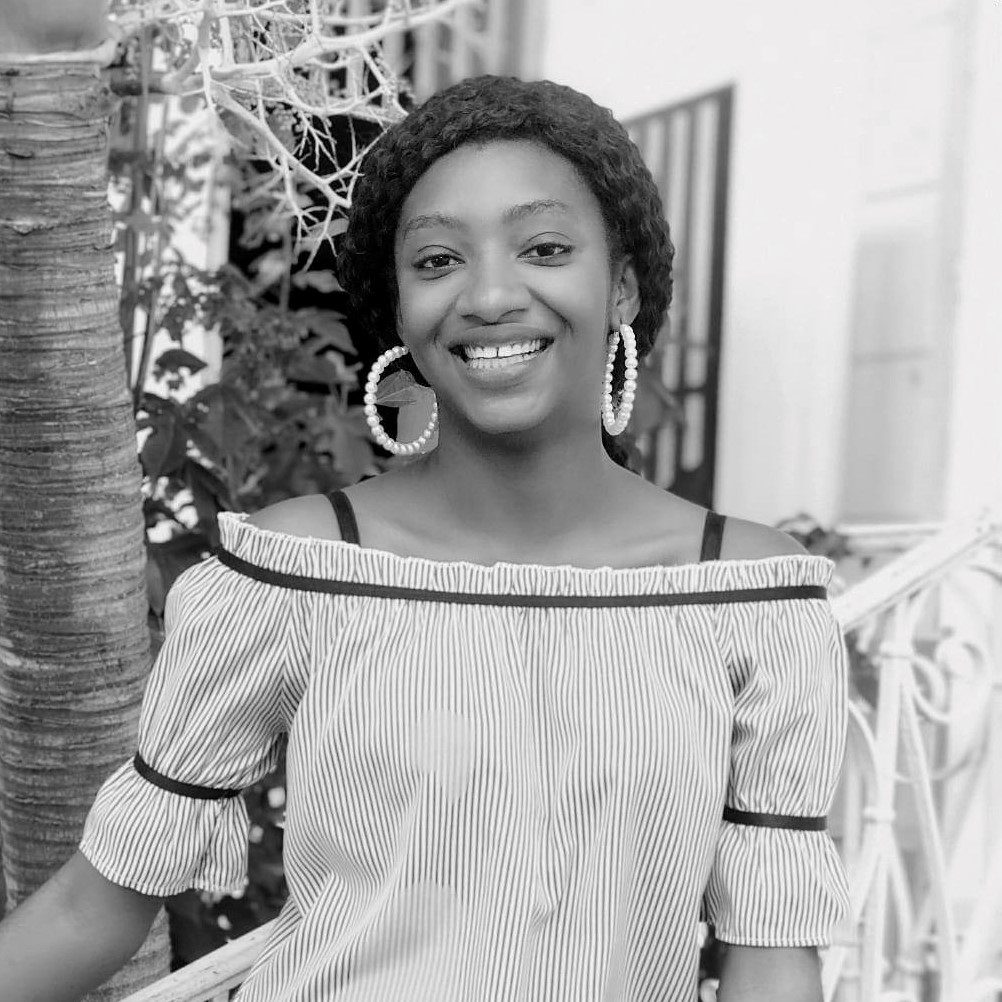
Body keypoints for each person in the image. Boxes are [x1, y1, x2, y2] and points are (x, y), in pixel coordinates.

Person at [0, 75, 849, 1002]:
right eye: (438, 261)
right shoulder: (295, 574)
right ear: (400, 312)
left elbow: (773, 955)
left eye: (546, 247)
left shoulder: (752, 597)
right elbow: (93, 909)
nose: (489, 294)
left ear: (623, 287)